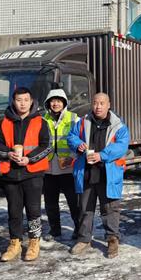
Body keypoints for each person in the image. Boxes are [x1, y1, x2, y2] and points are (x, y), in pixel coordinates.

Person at [0, 87, 52, 262]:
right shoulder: (4, 123)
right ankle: (14, 243)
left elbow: (47, 146)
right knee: (14, 211)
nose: (22, 103)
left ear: (31, 101)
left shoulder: (41, 122)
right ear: (13, 101)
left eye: (26, 100)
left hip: (32, 173)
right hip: (11, 174)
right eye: (19, 100)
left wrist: (30, 159)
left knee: (33, 211)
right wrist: (8, 154)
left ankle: (34, 242)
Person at [67, 93, 129, 259]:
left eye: (102, 103)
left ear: (109, 105)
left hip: (107, 173)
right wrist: (77, 144)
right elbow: (71, 136)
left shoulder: (118, 126)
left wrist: (102, 155)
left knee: (110, 209)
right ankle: (84, 239)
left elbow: (122, 146)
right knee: (85, 208)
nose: (98, 106)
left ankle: (112, 239)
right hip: (86, 172)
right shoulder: (82, 122)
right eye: (95, 103)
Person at [42, 89, 80, 241]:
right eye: (52, 100)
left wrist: (72, 157)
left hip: (68, 167)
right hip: (48, 168)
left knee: (73, 201)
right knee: (50, 202)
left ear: (64, 102)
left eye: (59, 100)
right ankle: (54, 229)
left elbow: (80, 140)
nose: (55, 103)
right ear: (48, 103)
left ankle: (78, 228)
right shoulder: (42, 120)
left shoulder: (74, 119)